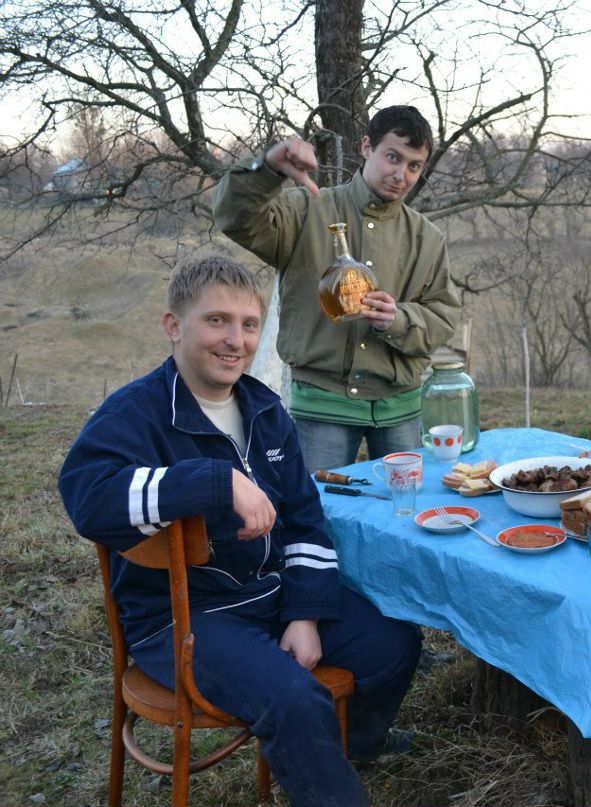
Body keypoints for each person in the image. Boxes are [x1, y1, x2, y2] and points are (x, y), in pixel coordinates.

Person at [59, 255, 422, 807]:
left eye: (249, 325)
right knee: (294, 699)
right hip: (181, 620)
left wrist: (304, 613)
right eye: (217, 321)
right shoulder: (136, 413)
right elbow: (87, 497)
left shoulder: (265, 409)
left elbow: (305, 519)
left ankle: (347, 749)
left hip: (270, 595)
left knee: (393, 643)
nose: (236, 340)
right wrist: (214, 481)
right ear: (174, 326)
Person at [212, 104, 461, 470]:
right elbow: (235, 217)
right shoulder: (306, 210)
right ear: (367, 147)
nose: (401, 175)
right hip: (322, 406)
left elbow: (443, 316)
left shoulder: (428, 238)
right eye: (393, 157)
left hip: (401, 410)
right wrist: (267, 170)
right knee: (317, 504)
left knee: (407, 502)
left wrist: (397, 319)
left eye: (414, 166)